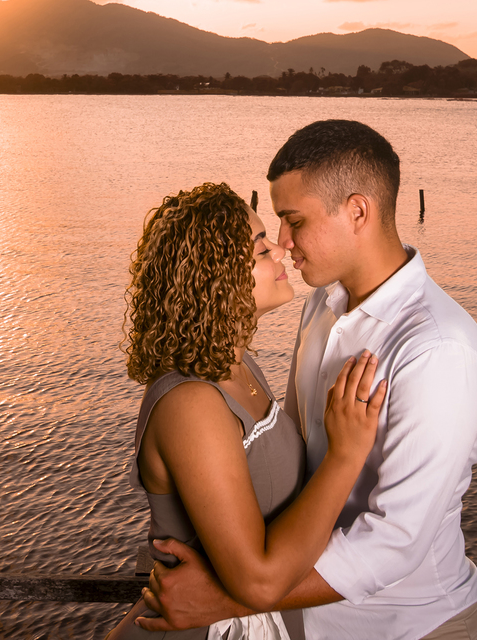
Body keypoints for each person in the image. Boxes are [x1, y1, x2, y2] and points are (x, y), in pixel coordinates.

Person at [138, 121, 477, 640]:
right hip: (302, 625)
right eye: (272, 232)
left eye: (293, 220)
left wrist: (227, 596)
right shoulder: (321, 309)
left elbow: (395, 539)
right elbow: (293, 459)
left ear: (357, 212)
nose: (283, 242)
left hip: (408, 628)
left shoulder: (439, 351)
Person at [109, 181, 387, 640]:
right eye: (260, 250)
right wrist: (345, 454)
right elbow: (257, 580)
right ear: (215, 277)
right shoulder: (191, 403)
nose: (280, 249)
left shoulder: (237, 365)